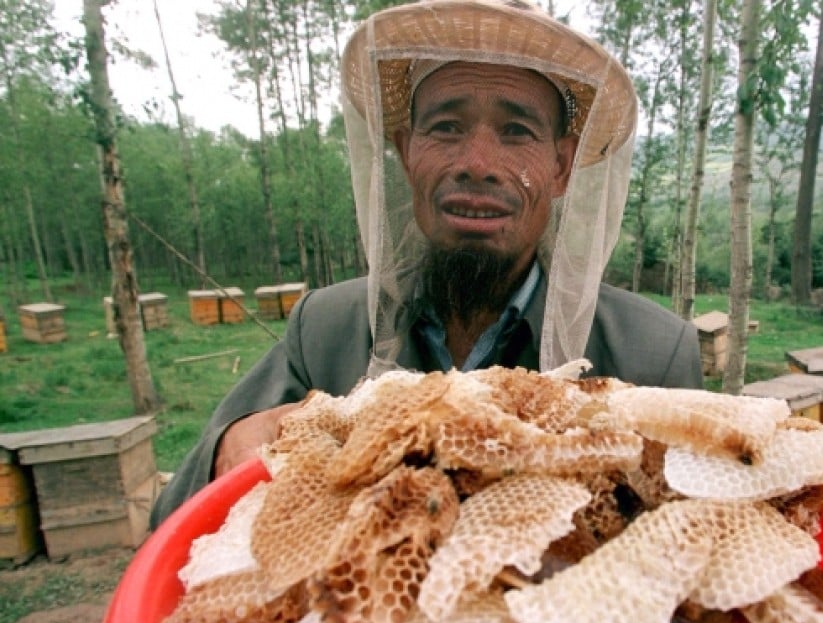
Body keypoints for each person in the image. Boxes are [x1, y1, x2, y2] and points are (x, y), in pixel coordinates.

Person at [150, 0, 702, 528]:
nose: (478, 163)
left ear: (561, 167)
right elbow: (171, 518)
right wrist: (229, 449)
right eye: (445, 127)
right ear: (405, 151)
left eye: (516, 132)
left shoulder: (653, 354)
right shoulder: (324, 329)